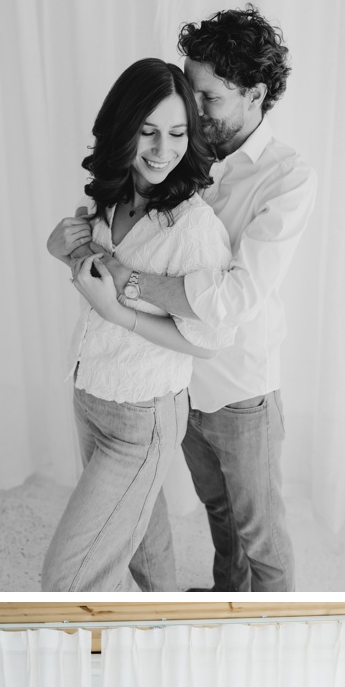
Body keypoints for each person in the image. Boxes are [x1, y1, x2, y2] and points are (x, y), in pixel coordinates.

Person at [107, 6, 317, 591]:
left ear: (254, 94)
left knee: (261, 534)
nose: (191, 110)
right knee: (218, 512)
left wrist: (130, 284)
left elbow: (235, 297)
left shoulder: (288, 178)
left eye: (208, 98)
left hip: (240, 390)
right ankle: (230, 603)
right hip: (175, 376)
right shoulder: (184, 153)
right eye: (188, 90)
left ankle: (273, 639)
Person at [42, 58, 235, 591]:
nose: (161, 150)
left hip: (142, 416)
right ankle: (159, 641)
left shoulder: (194, 227)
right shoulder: (108, 194)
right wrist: (65, 253)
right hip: (90, 394)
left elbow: (211, 342)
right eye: (147, 132)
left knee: (67, 578)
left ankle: (106, 650)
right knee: (142, 550)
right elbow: (98, 278)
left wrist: (120, 314)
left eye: (177, 134)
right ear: (122, 129)